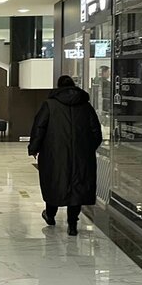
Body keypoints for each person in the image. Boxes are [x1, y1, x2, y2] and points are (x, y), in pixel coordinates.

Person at [28, 74, 103, 235]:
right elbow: (96, 132)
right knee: (78, 187)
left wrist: (34, 148)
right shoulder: (86, 106)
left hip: (54, 155)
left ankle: (50, 215)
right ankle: (72, 224)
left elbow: (39, 128)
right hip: (81, 156)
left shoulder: (49, 105)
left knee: (54, 183)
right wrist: (87, 149)